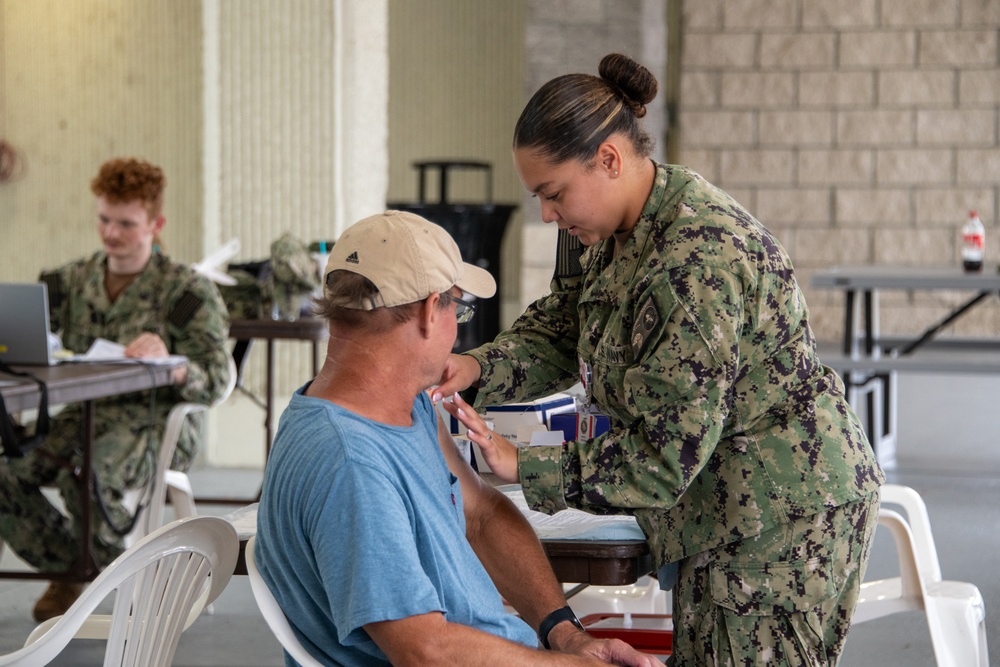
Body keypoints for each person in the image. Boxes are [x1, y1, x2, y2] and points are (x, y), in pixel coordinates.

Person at [436, 53, 886, 665]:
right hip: (722, 507)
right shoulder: (606, 231)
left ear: (610, 160)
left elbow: (663, 459)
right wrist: (478, 369)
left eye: (554, 193)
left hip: (775, 518)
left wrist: (527, 466)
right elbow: (564, 325)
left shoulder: (694, 264)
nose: (547, 215)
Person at [254, 210, 660, 666]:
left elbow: (482, 514)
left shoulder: (404, 407)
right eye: (458, 307)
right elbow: (424, 650)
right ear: (431, 310)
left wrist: (563, 634)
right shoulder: (351, 461)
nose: (459, 327)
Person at [0, 157, 232, 621]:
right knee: (6, 472)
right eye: (104, 219)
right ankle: (78, 570)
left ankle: (127, 586)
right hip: (81, 416)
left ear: (155, 224)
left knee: (87, 473)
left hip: (154, 420)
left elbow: (218, 378)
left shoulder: (184, 291)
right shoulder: (68, 282)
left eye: (125, 224)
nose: (110, 233)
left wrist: (175, 362)